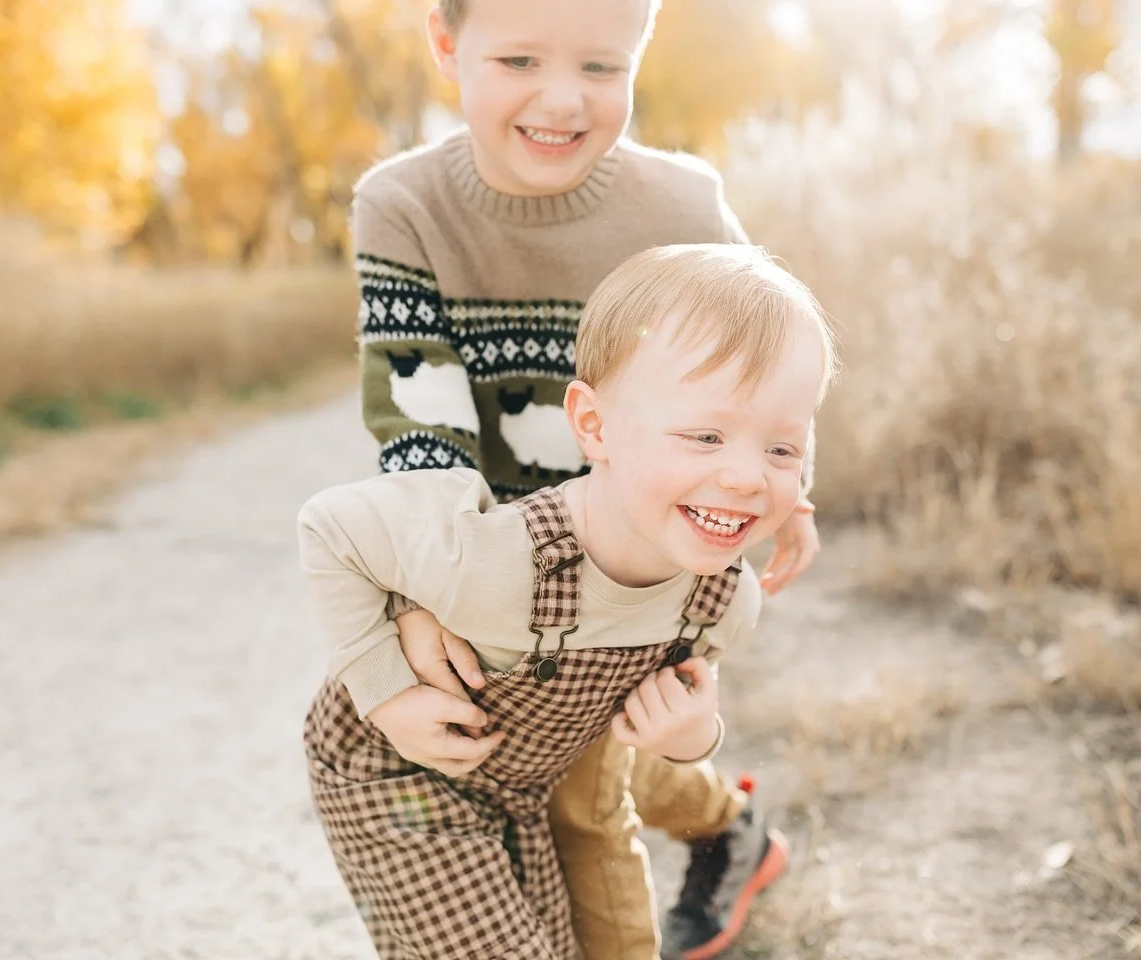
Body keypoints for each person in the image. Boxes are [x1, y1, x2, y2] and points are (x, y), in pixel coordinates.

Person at [350, 0, 822, 955]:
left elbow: (761, 364)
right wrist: (420, 592)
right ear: (447, 45)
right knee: (556, 736)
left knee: (582, 798)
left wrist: (791, 489)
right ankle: (731, 828)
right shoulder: (402, 206)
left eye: (603, 68)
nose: (561, 100)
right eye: (518, 57)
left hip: (648, 551)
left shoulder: (681, 205)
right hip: (494, 559)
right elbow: (420, 420)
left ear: (640, 54)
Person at [301, 243, 837, 959]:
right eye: (705, 435)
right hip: (396, 777)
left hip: (523, 790)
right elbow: (331, 527)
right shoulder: (498, 559)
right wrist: (385, 690)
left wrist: (692, 738)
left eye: (781, 450)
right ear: (593, 426)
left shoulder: (721, 603)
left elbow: (645, 726)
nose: (744, 476)